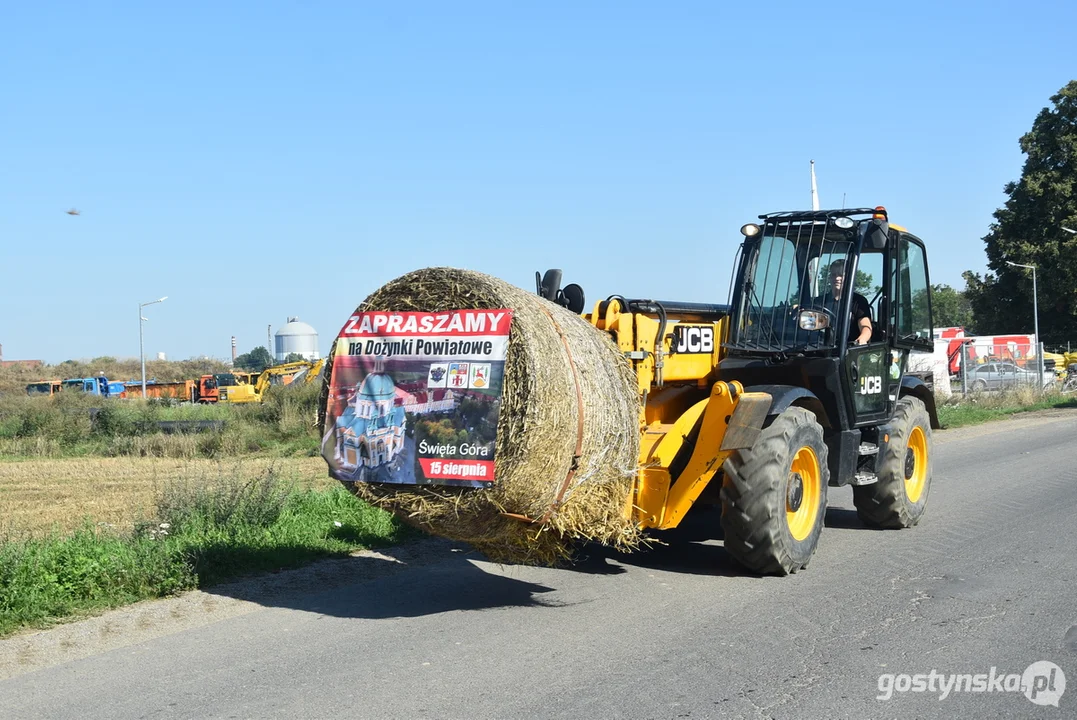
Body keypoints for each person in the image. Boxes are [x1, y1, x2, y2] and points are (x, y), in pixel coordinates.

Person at [814, 259, 873, 345]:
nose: (837, 278)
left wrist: (862, 339)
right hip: (821, 349)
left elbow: (866, 326)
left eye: (841, 275)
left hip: (849, 350)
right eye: (834, 275)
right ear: (830, 277)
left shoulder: (858, 301)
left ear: (849, 277)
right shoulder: (818, 302)